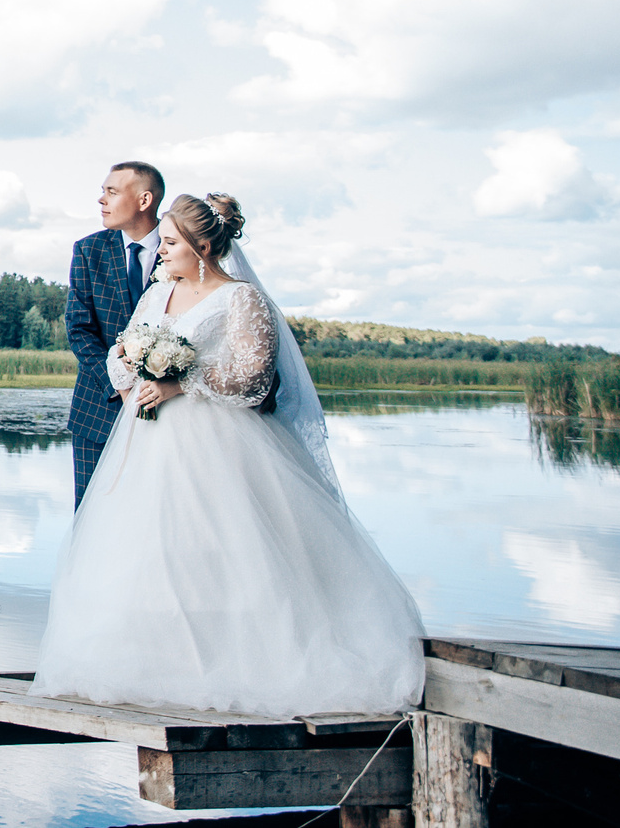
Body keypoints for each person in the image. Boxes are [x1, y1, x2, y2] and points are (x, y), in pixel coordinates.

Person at [32, 193, 425, 718]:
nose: (161, 251)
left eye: (169, 243)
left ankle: (245, 662)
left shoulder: (242, 300)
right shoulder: (157, 295)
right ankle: (152, 663)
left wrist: (181, 380)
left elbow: (253, 377)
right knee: (148, 550)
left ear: (200, 247)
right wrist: (133, 374)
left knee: (230, 546)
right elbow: (119, 352)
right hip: (149, 442)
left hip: (221, 443)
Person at [66, 162, 162, 506]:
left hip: (170, 414)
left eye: (112, 191)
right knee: (94, 518)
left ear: (144, 200)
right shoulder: (88, 250)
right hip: (98, 412)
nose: (101, 200)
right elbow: (79, 329)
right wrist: (119, 385)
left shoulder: (183, 248)